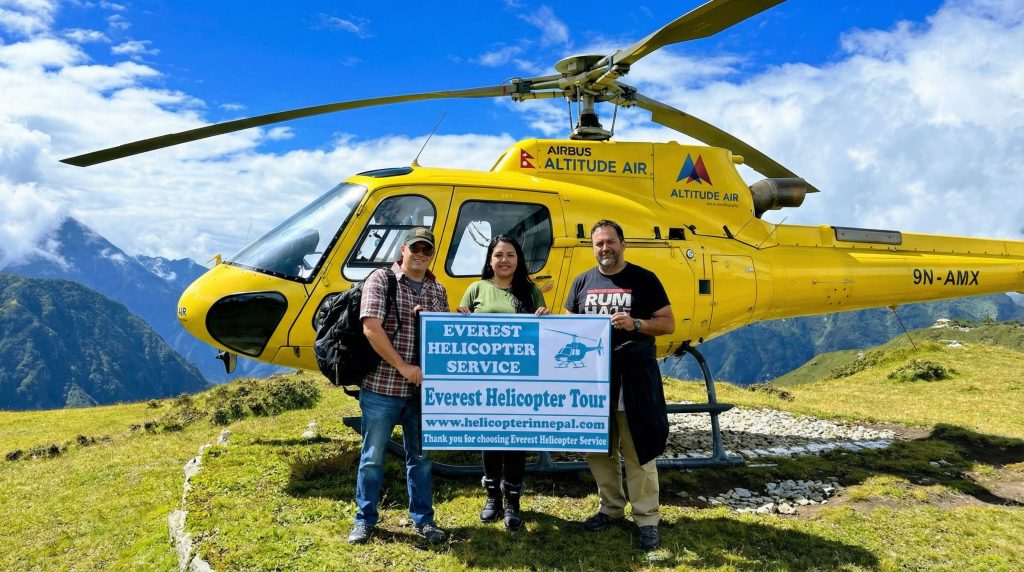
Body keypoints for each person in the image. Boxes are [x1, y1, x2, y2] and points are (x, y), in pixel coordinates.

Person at [564, 220, 674, 550]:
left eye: (610, 242)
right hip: (593, 379)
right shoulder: (582, 281)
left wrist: (636, 323)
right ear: (592, 247)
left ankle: (647, 518)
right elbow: (568, 321)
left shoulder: (644, 279)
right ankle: (610, 508)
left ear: (622, 244)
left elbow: (667, 323)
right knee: (598, 449)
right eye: (599, 244)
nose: (605, 248)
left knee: (637, 448)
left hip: (634, 378)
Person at [348, 227, 450, 546]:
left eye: (427, 250)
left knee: (420, 458)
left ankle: (423, 520)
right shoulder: (381, 279)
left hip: (421, 393)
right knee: (372, 456)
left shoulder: (438, 290)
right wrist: (403, 367)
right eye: (415, 248)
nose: (420, 254)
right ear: (402, 250)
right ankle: (364, 520)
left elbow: (443, 336)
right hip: (381, 386)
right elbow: (371, 328)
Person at [457, 234, 550, 531]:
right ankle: (492, 498)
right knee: (490, 436)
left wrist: (545, 320)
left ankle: (512, 500)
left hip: (522, 379)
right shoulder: (475, 289)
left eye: (510, 255)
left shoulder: (531, 291)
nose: (504, 260)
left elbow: (543, 337)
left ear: (518, 260)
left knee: (516, 439)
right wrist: (460, 321)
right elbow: (460, 332)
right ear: (490, 260)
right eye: (498, 255)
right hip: (484, 378)